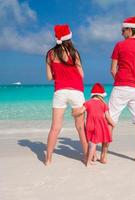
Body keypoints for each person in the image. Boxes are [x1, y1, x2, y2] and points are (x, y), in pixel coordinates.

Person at [108, 16, 135, 163]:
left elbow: (112, 70)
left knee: (110, 120)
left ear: (129, 29)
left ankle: (103, 153)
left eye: (123, 30)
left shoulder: (119, 45)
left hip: (121, 86)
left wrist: (120, 82)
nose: (121, 33)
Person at [45, 24, 88, 165]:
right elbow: (81, 74)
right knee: (81, 127)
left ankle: (48, 159)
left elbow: (49, 77)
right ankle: (87, 157)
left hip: (60, 91)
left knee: (55, 127)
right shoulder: (74, 52)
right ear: (69, 36)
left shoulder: (50, 54)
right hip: (76, 91)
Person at [72, 83, 115, 166]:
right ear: (102, 95)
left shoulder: (88, 103)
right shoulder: (103, 104)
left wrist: (74, 113)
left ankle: (94, 157)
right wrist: (113, 124)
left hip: (89, 125)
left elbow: (81, 111)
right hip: (98, 126)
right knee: (93, 144)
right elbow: (107, 117)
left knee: (91, 141)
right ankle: (88, 162)